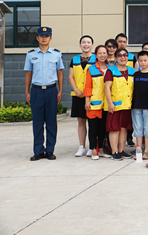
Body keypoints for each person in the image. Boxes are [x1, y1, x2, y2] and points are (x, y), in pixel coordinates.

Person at [25, 26, 64, 161]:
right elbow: (28, 74)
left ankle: (50, 150)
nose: (44, 38)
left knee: (51, 121)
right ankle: (38, 151)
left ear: (50, 38)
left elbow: (60, 73)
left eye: (46, 36)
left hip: (51, 90)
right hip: (36, 90)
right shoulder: (31, 55)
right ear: (37, 38)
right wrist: (27, 92)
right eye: (41, 36)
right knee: (37, 122)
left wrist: (60, 91)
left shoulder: (56, 54)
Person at [104, 48, 136, 161]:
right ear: (116, 57)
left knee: (124, 128)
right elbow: (107, 88)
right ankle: (114, 152)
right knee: (114, 129)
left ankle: (122, 150)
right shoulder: (110, 71)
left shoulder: (132, 71)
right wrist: (110, 103)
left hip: (128, 105)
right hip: (115, 105)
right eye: (120, 55)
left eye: (125, 55)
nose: (123, 57)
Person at [69, 35, 96, 157]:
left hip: (93, 95)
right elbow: (71, 76)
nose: (86, 44)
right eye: (83, 42)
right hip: (78, 95)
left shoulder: (96, 59)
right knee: (81, 121)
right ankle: (81, 147)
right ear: (80, 45)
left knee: (92, 122)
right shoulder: (74, 59)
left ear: (92, 45)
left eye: (88, 42)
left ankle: (92, 147)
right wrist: (76, 90)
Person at [83, 45, 110, 159]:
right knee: (93, 128)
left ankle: (101, 149)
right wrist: (87, 101)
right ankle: (93, 149)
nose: (102, 55)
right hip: (94, 103)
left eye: (104, 53)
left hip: (106, 104)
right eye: (100, 53)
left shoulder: (110, 69)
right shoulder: (91, 69)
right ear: (96, 55)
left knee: (103, 128)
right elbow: (88, 86)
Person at [131, 51, 148, 160]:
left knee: (147, 128)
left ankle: (146, 150)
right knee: (137, 128)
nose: (143, 62)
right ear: (138, 61)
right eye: (141, 61)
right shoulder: (135, 74)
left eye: (145, 60)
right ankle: (139, 150)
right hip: (136, 105)